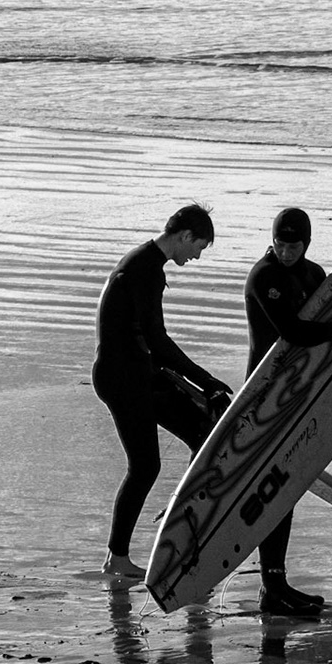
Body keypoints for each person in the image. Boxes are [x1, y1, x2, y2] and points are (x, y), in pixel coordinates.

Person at [92, 204, 234, 579]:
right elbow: (158, 341)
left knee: (203, 432)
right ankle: (117, 558)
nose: (198, 256)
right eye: (199, 247)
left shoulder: (144, 263)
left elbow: (147, 343)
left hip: (137, 372)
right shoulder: (145, 272)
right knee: (145, 466)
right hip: (123, 379)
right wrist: (207, 382)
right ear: (185, 236)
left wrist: (194, 385)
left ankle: (184, 521)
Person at [243, 206, 332, 617]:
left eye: (293, 245)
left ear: (306, 243)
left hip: (303, 390)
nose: (286, 251)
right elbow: (292, 331)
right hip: (266, 397)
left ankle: (276, 584)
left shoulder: (314, 275)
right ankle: (271, 588)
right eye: (280, 243)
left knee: (289, 488)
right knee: (275, 486)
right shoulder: (264, 277)